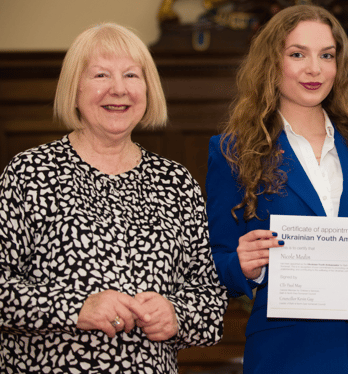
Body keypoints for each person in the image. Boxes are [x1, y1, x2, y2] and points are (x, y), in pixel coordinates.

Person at [206, 4, 348, 374]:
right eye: (297, 54)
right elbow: (216, 261)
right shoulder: (233, 151)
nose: (315, 69)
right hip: (286, 352)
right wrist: (241, 264)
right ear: (270, 63)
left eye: (327, 55)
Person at [0, 23, 227, 373]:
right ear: (74, 89)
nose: (118, 89)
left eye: (132, 75)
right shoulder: (30, 173)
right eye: (101, 75)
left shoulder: (176, 183)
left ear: (148, 89)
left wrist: (176, 315)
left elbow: (210, 304)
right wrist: (76, 308)